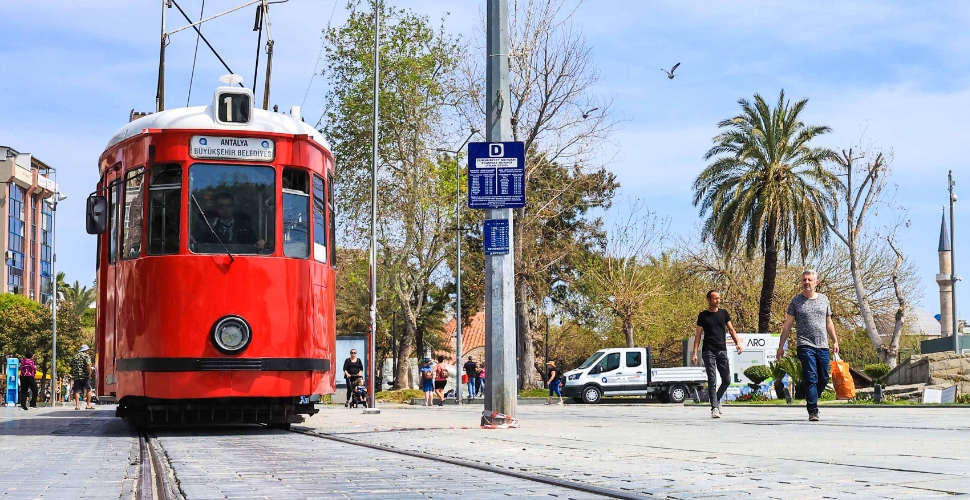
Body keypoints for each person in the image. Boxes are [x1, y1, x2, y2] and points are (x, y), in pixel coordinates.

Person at [777, 270, 840, 422]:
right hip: (805, 344)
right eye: (804, 280)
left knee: (823, 377)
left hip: (823, 345)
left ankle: (812, 398)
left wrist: (835, 341)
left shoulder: (824, 300)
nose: (807, 282)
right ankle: (813, 410)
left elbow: (829, 322)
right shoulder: (796, 301)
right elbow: (787, 325)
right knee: (811, 377)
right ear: (801, 283)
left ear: (815, 283)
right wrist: (781, 346)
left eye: (809, 280)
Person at [691, 290, 743, 418]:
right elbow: (698, 335)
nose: (718, 300)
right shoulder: (703, 316)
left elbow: (731, 329)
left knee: (727, 379)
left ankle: (717, 399)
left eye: (719, 298)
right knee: (712, 379)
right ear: (708, 300)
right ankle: (714, 407)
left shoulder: (724, 313)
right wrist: (695, 353)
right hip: (708, 351)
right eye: (715, 298)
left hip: (722, 350)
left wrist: (738, 343)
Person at [196, 192, 265, 250]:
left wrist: (259, 244)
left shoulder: (244, 226)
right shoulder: (209, 227)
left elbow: (254, 244)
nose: (226, 209)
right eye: (221, 206)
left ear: (233, 206)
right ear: (216, 208)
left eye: (229, 206)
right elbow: (201, 246)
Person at [70, 345, 94, 410]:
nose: (88, 351)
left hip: (77, 376)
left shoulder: (75, 356)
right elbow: (88, 364)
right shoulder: (86, 356)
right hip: (85, 376)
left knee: (76, 391)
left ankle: (77, 406)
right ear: (85, 350)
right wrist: (90, 373)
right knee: (89, 389)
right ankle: (88, 405)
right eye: (88, 350)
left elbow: (71, 365)